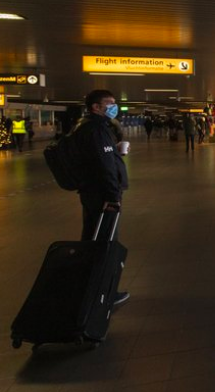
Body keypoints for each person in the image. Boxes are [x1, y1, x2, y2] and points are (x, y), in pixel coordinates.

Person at [74, 89, 130, 306]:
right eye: (109, 103)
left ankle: (88, 290)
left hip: (92, 192)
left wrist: (115, 151)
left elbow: (99, 158)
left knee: (93, 238)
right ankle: (103, 293)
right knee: (104, 243)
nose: (114, 107)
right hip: (103, 196)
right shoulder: (96, 130)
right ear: (96, 107)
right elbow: (105, 166)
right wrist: (113, 196)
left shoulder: (87, 127)